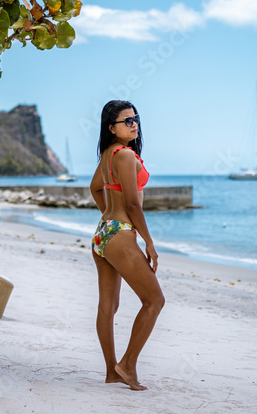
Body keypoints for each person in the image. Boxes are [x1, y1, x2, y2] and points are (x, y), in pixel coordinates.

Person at [90, 100, 165, 391]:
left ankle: (112, 371)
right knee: (155, 301)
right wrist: (148, 242)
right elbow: (133, 204)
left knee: (109, 306)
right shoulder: (124, 156)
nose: (134, 124)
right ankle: (128, 365)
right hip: (119, 234)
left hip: (103, 234)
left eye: (135, 119)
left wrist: (109, 219)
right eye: (127, 121)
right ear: (112, 128)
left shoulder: (109, 154)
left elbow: (95, 188)